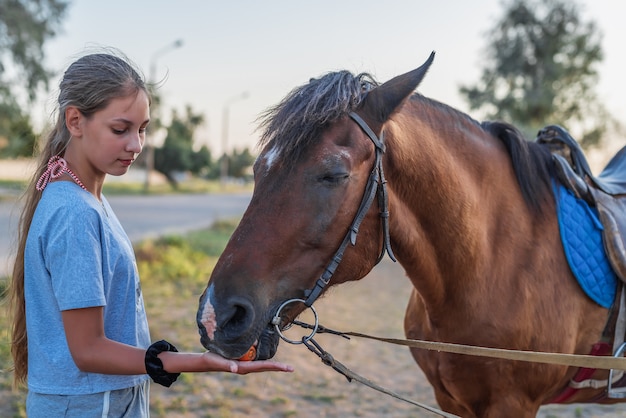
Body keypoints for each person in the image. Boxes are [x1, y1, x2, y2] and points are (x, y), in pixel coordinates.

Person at [7, 50, 293, 417]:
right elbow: (88, 349)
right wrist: (197, 362)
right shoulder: (73, 213)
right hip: (87, 406)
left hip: (101, 399)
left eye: (142, 129)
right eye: (120, 129)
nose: (136, 145)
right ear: (75, 121)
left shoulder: (86, 199)